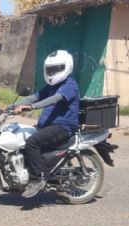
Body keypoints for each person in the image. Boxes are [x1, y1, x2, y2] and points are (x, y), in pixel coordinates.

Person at [7, 50, 80, 198]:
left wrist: (31, 107)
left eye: (57, 69)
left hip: (63, 127)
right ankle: (25, 174)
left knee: (32, 142)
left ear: (67, 67)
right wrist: (9, 106)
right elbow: (32, 98)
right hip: (48, 126)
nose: (53, 72)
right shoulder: (51, 87)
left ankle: (37, 179)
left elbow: (54, 99)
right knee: (21, 138)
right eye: (50, 69)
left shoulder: (70, 85)